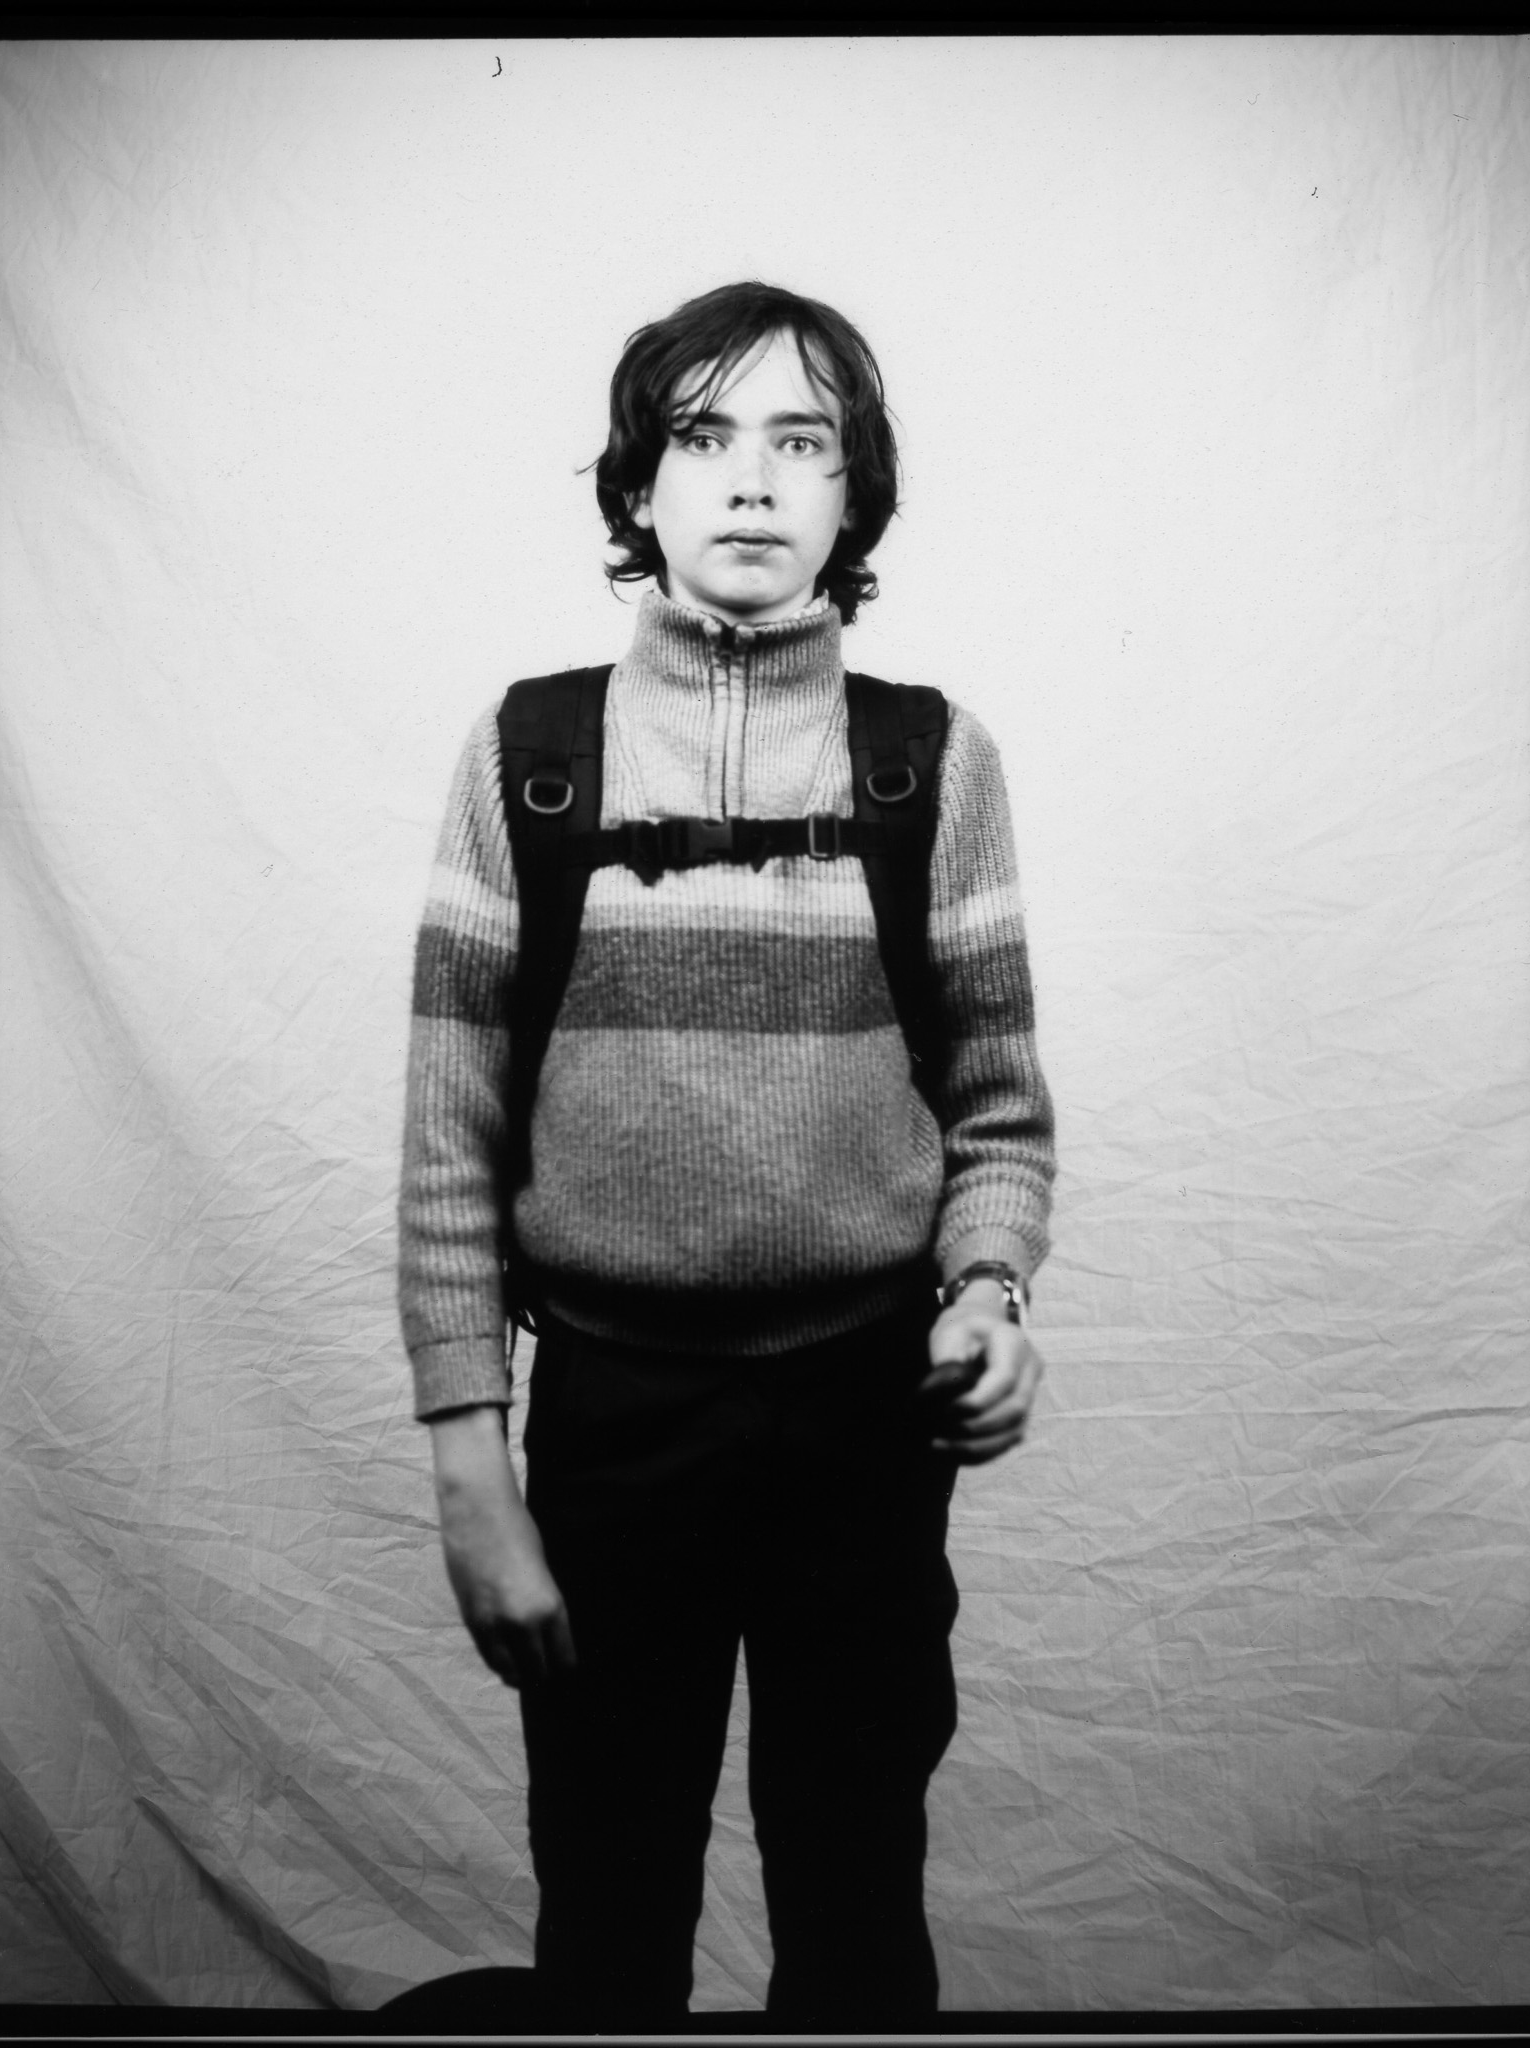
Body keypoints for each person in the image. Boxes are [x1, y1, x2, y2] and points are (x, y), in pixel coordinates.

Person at [398, 280, 1056, 2026]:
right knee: (608, 1909)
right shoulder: (531, 756)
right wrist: (473, 1467)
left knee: (854, 1905)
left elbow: (996, 1102)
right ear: (638, 491)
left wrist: (988, 1291)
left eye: (798, 441)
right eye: (701, 439)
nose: (749, 483)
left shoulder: (930, 761)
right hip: (613, 1425)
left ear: (856, 501)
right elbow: (448, 1143)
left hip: (864, 1419)